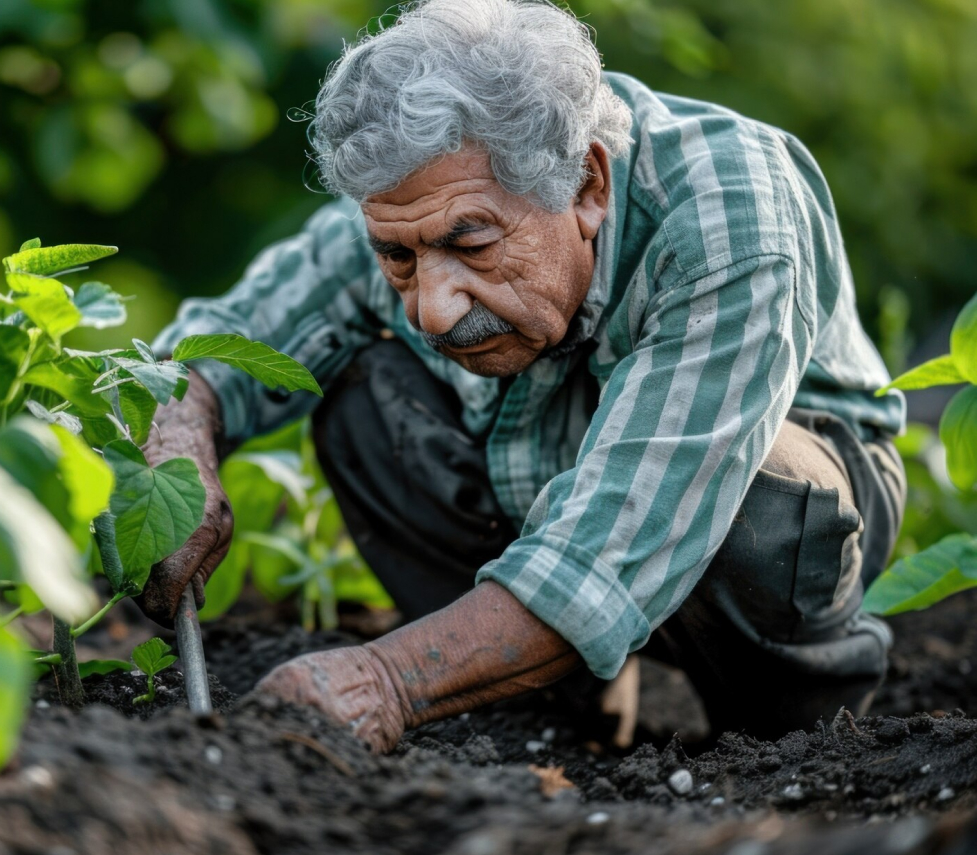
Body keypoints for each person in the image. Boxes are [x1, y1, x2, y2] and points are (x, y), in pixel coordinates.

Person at [140, 0, 906, 753]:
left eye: (471, 247)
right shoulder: (422, 192)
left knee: (757, 493)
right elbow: (219, 347)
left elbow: (618, 538)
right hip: (541, 456)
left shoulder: (729, 213)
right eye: (399, 259)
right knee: (363, 396)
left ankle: (795, 726)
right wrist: (177, 445)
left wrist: (386, 681)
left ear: (586, 189)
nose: (433, 309)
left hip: (767, 496)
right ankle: (539, 714)